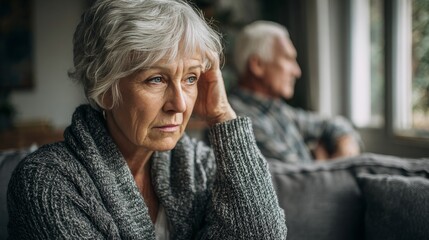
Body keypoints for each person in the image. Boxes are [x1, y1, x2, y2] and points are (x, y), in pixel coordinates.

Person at [7, 1, 287, 239]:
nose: (179, 103)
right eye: (156, 79)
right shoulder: (47, 182)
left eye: (190, 78)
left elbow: (263, 234)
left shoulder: (198, 165)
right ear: (104, 89)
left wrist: (222, 115)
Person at [229, 20, 362, 164]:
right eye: (288, 59)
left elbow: (334, 124)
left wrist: (345, 142)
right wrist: (320, 158)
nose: (297, 72)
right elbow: (300, 179)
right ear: (258, 65)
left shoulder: (278, 110)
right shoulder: (238, 121)